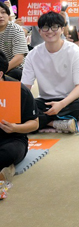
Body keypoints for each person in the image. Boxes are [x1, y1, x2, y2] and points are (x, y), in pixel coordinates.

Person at [21, 12, 79, 133]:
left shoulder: (74, 51)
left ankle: (36, 123)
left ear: (62, 29)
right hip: (44, 101)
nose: (50, 31)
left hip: (70, 100)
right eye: (45, 27)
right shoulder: (33, 54)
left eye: (55, 27)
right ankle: (53, 123)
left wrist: (61, 104)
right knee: (22, 110)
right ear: (40, 31)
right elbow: (25, 87)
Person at [0, 52, 39, 182]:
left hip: (12, 139)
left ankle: (6, 167)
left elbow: (35, 123)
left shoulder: (18, 90)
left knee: (7, 153)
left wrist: (15, 127)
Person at [0, 1, 28, 80]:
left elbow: (19, 58)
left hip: (14, 68)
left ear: (8, 15)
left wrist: (2, 71)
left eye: (3, 12)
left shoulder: (16, 29)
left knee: (15, 74)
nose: (0, 16)